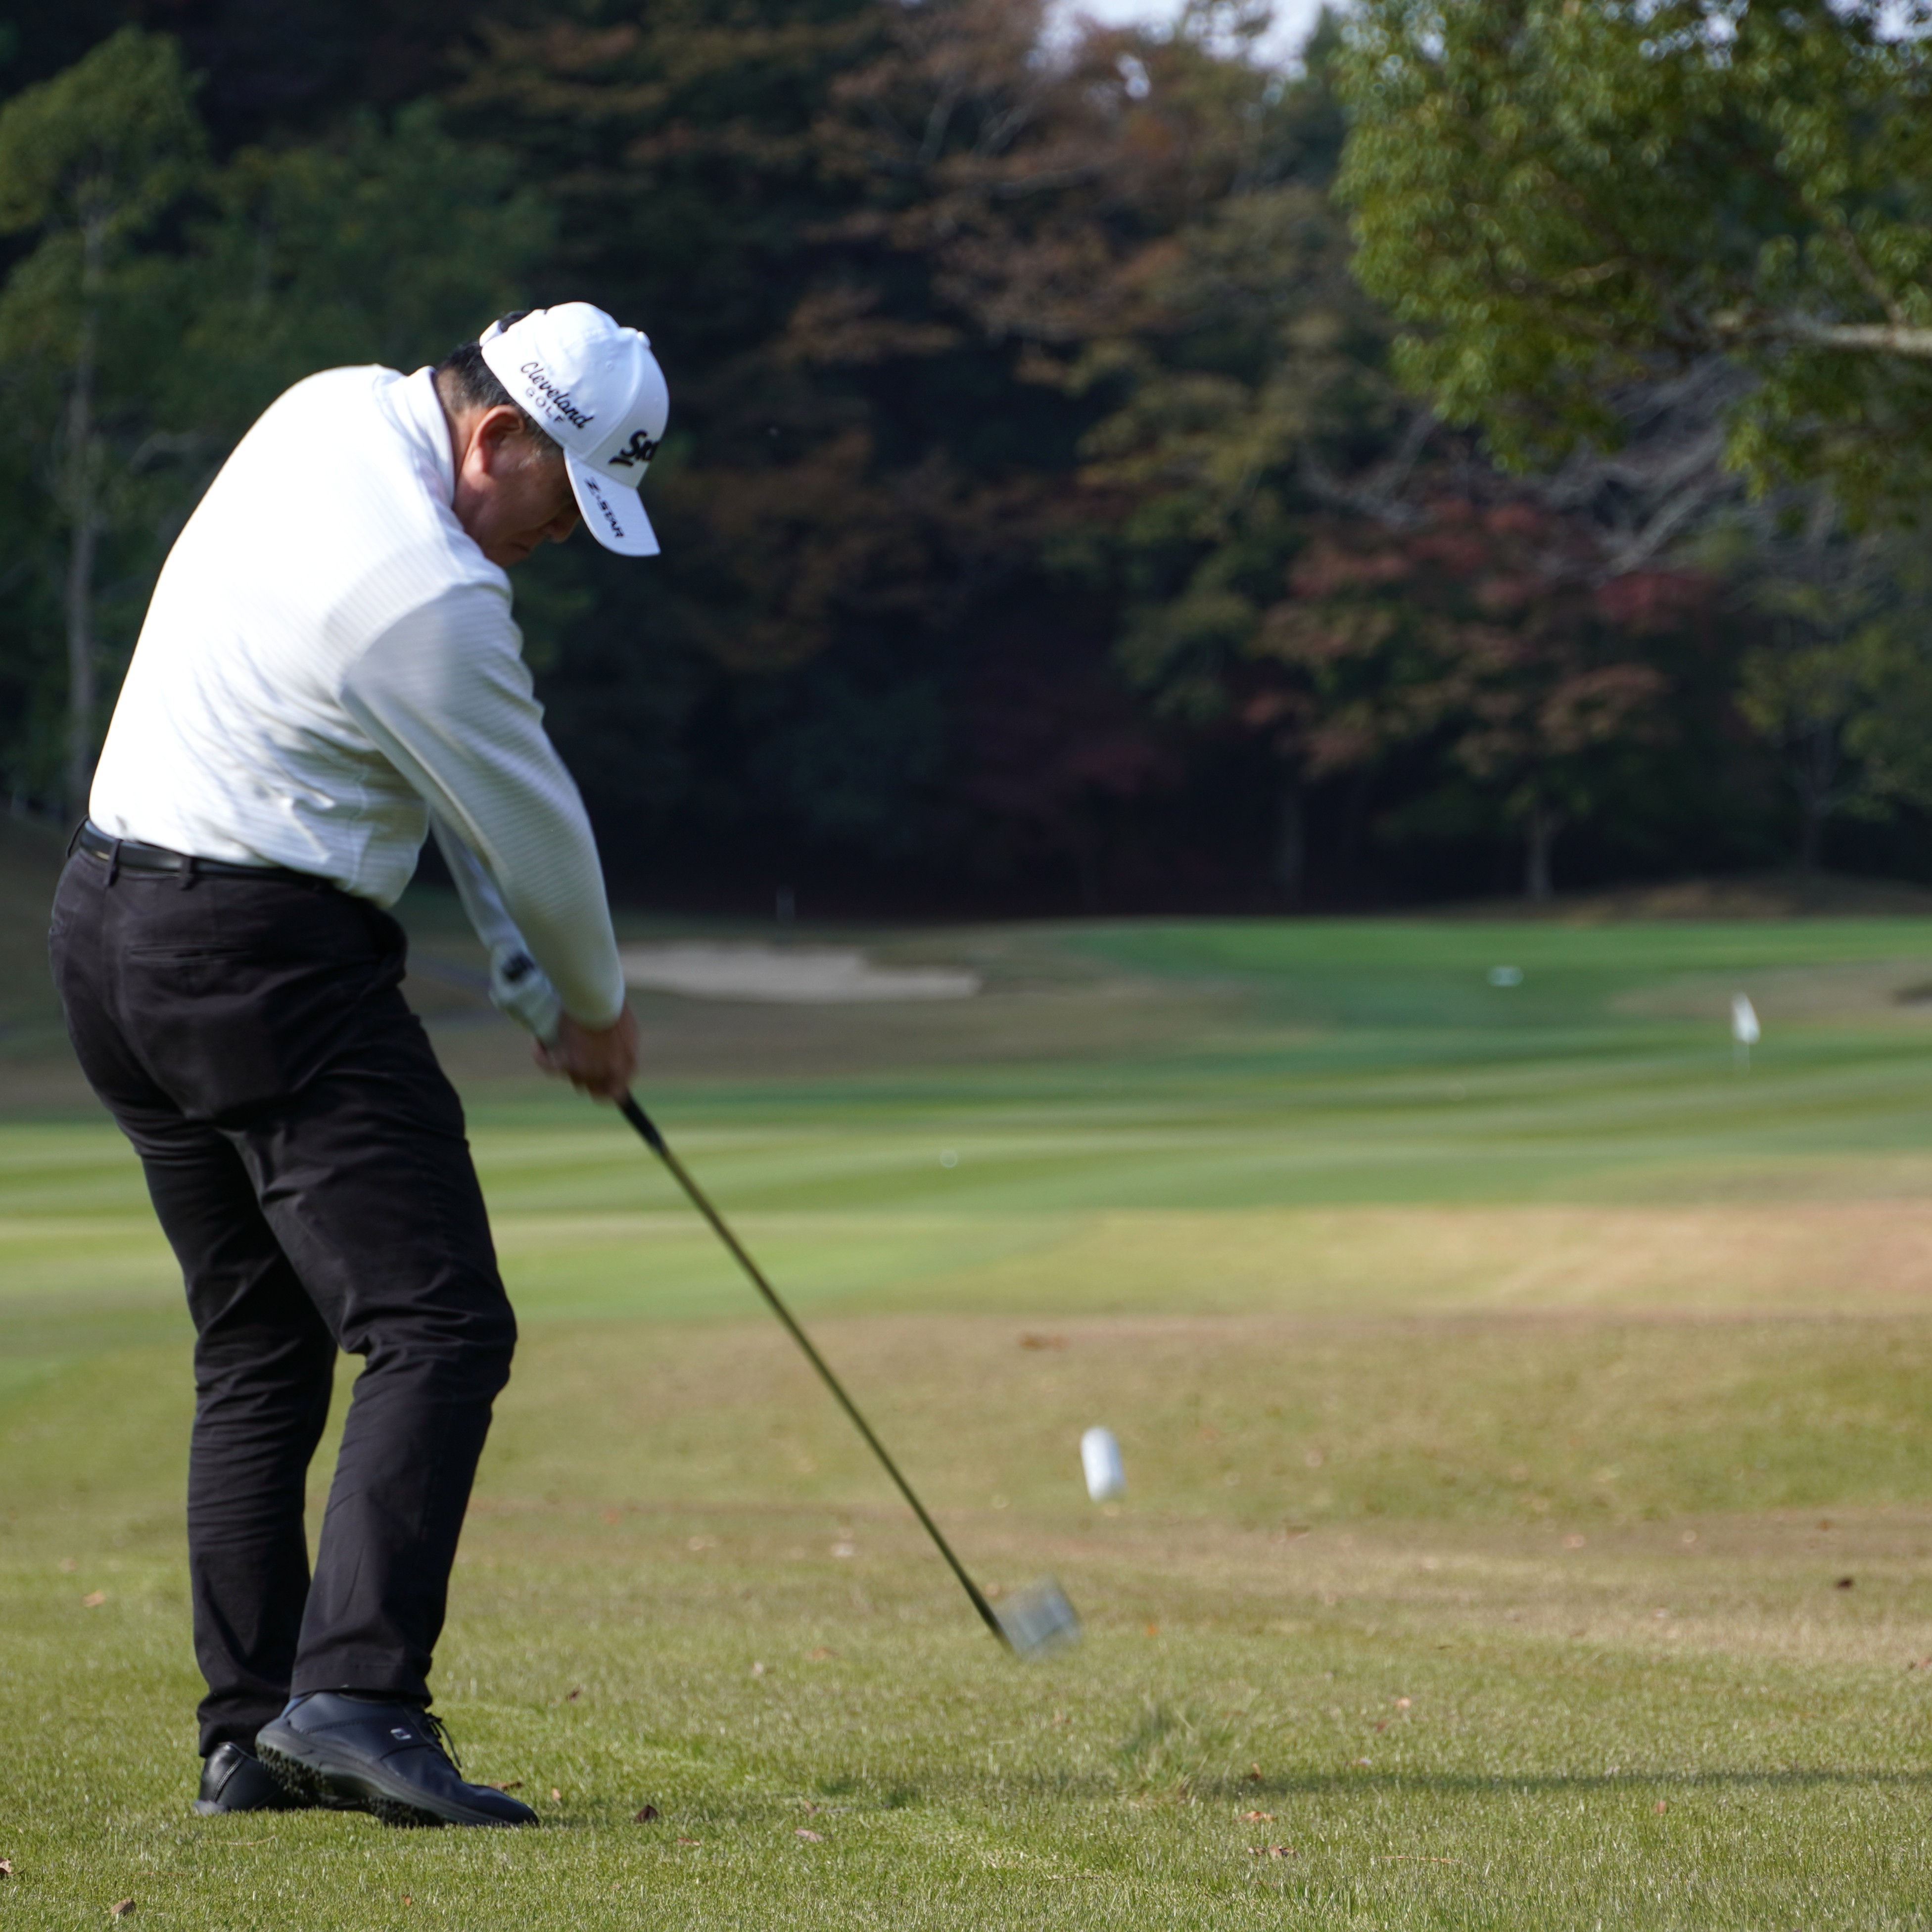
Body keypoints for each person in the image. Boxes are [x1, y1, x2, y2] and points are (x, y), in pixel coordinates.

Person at [47, 303, 665, 1828]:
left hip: (107, 932)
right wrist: (592, 1007)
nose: (561, 540)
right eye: (565, 503)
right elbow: (534, 827)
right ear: (500, 436)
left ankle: (248, 1732)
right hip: (255, 959)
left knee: (258, 1345)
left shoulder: (325, 406)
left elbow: (420, 772)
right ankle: (358, 1697)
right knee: (440, 1322)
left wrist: (522, 972)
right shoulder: (434, 599)